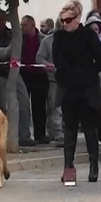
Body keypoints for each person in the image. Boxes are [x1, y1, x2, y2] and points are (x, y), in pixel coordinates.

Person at [52, 0, 101, 185]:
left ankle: (93, 165)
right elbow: (56, 59)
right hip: (68, 88)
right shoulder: (59, 37)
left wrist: (88, 73)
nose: (65, 24)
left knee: (89, 126)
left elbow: (100, 59)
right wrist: (65, 74)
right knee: (70, 127)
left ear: (77, 19)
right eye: (63, 21)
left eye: (68, 20)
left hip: (87, 87)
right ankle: (69, 166)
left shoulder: (88, 35)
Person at [0, 10, 36, 147]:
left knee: (24, 103)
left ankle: (24, 135)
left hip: (15, 72)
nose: (1, 20)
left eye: (3, 18)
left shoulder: (12, 34)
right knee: (1, 108)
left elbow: (19, 49)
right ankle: (3, 137)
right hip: (0, 74)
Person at [36, 18, 65, 147]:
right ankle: (59, 135)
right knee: (56, 107)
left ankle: (66, 133)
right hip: (54, 79)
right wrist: (46, 65)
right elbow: (39, 57)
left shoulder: (72, 41)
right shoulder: (47, 41)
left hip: (70, 80)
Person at [20, 15, 49, 143]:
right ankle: (24, 135)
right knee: (24, 106)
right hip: (24, 75)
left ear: (32, 25)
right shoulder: (20, 40)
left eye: (24, 25)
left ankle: (40, 134)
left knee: (40, 107)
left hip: (40, 76)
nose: (22, 28)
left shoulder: (43, 39)